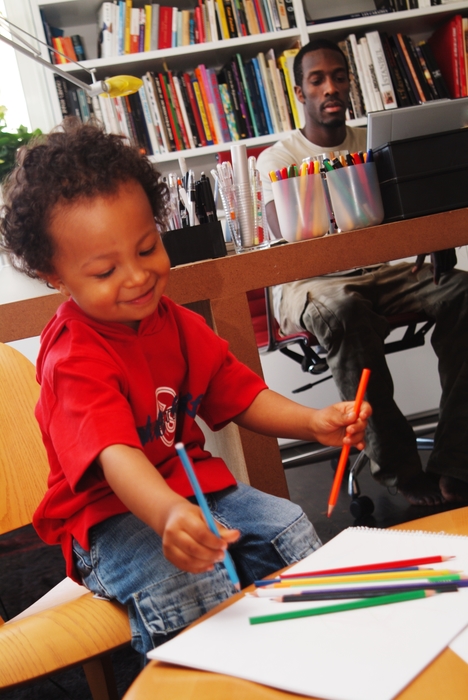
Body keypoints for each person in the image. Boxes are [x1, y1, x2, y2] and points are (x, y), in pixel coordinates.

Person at [0, 119, 370, 657]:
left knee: (288, 529)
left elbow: (237, 392)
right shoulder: (73, 356)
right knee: (192, 580)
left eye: (148, 248)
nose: (137, 277)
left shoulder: (173, 321)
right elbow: (116, 455)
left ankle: (307, 659)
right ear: (53, 275)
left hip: (195, 486)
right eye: (105, 271)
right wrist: (168, 513)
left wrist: (311, 423)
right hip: (109, 519)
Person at [258, 39, 468, 506]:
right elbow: (287, 236)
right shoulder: (276, 158)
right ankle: (399, 469)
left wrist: (432, 241)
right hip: (309, 283)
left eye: (339, 76)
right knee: (343, 310)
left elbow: (404, 213)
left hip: (381, 272)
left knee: (464, 294)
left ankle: (457, 459)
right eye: (317, 80)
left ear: (351, 83)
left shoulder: (375, 146)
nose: (330, 87)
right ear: (300, 93)